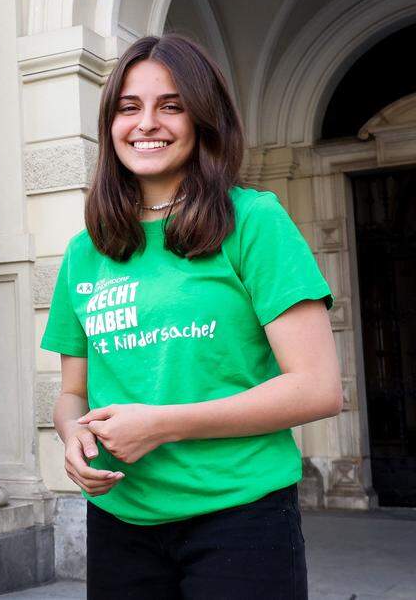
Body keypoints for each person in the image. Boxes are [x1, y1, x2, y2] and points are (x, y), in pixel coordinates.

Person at [42, 34, 342, 599]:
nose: (146, 123)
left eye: (171, 105)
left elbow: (318, 388)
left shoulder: (253, 222)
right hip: (120, 522)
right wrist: (72, 438)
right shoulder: (86, 251)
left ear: (203, 119)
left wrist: (162, 424)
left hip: (239, 517)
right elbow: (72, 394)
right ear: (110, 124)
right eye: (129, 107)